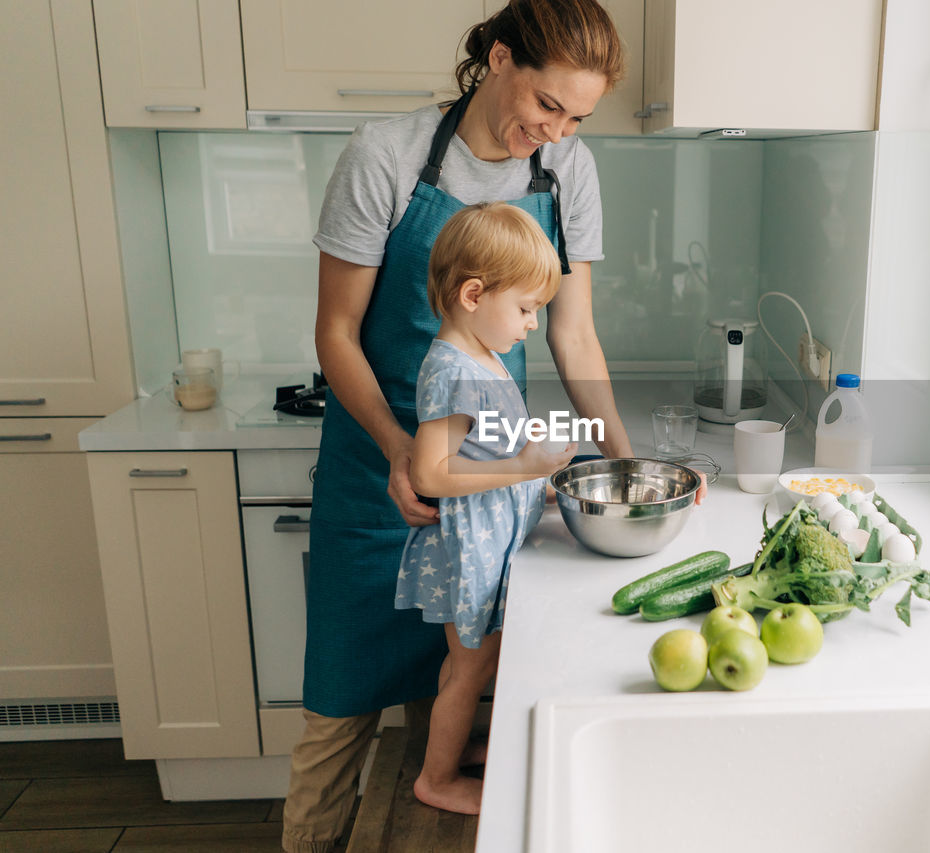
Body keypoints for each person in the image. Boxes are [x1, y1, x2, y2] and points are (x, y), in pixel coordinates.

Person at [281, 2, 629, 850]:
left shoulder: (565, 170)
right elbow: (336, 332)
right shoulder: (388, 156)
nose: (554, 131)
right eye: (547, 104)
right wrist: (401, 449)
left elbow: (571, 332)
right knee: (338, 713)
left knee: (447, 693)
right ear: (500, 57)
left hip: (479, 490)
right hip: (375, 476)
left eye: (577, 116)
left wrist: (625, 465)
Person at [397, 201, 576, 815]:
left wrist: (547, 484)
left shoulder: (482, 355)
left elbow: (497, 444)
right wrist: (527, 469)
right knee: (470, 671)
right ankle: (437, 780)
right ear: (474, 294)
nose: (532, 325)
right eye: (526, 309)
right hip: (470, 549)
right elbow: (432, 473)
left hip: (492, 541)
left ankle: (459, 749)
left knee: (474, 663)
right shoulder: (452, 370)